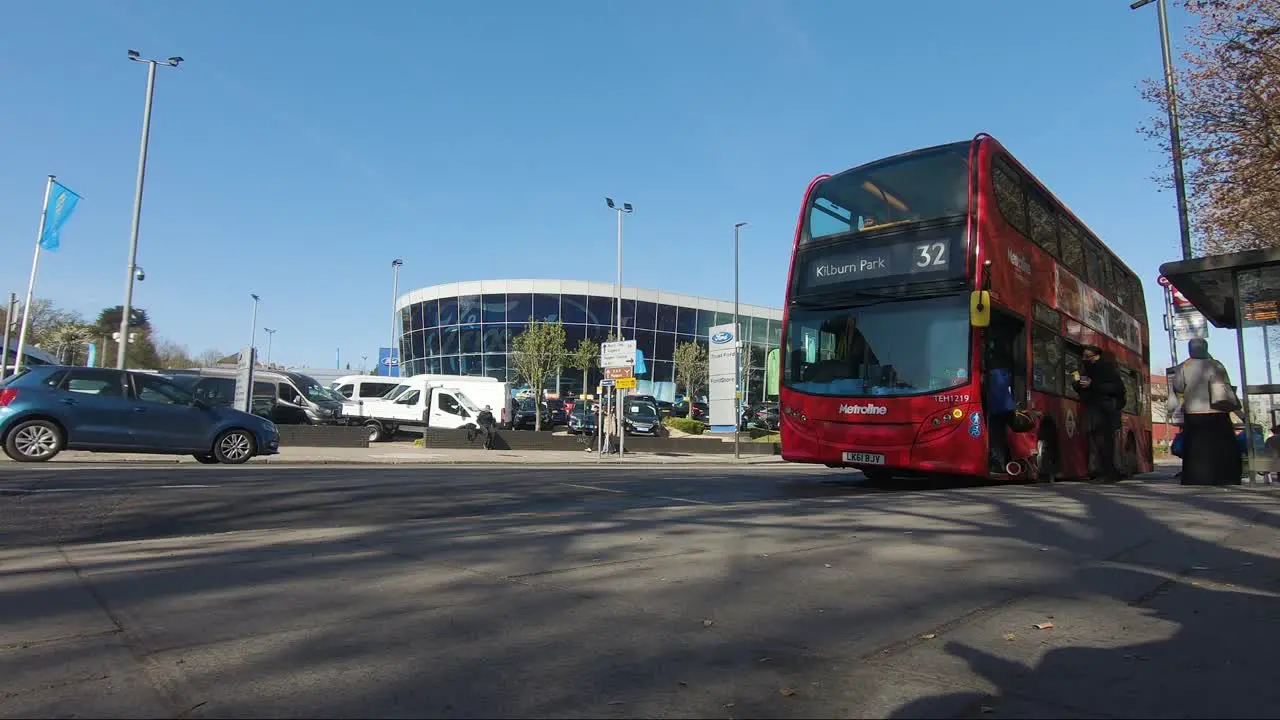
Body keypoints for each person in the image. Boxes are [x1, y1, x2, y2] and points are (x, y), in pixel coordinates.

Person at [1169, 338, 1241, 485]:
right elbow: (1226, 384)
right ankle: (1224, 476)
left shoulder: (1184, 366)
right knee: (1221, 446)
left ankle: (1197, 477)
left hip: (1194, 413)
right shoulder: (1216, 364)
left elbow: (1178, 387)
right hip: (1217, 410)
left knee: (1196, 448)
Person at [1071, 344, 1125, 482]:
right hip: (1092, 410)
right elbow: (1083, 390)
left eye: (1087, 356)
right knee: (1095, 442)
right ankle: (1099, 471)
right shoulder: (1086, 369)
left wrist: (1092, 384)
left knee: (1104, 443)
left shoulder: (1107, 368)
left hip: (1105, 411)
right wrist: (1077, 384)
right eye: (1083, 356)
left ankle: (1108, 474)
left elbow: (1117, 388)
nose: (1084, 359)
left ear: (1097, 356)